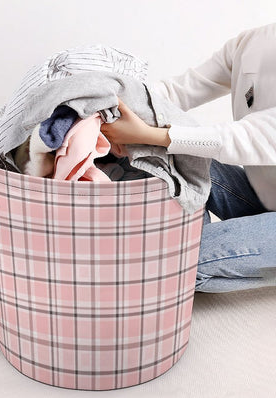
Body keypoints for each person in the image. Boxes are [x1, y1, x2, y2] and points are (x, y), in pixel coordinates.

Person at [101, 23, 276, 293]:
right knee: (171, 158)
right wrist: (109, 105)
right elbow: (177, 92)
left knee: (177, 261)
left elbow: (246, 136)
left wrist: (149, 134)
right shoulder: (252, 42)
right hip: (264, 197)